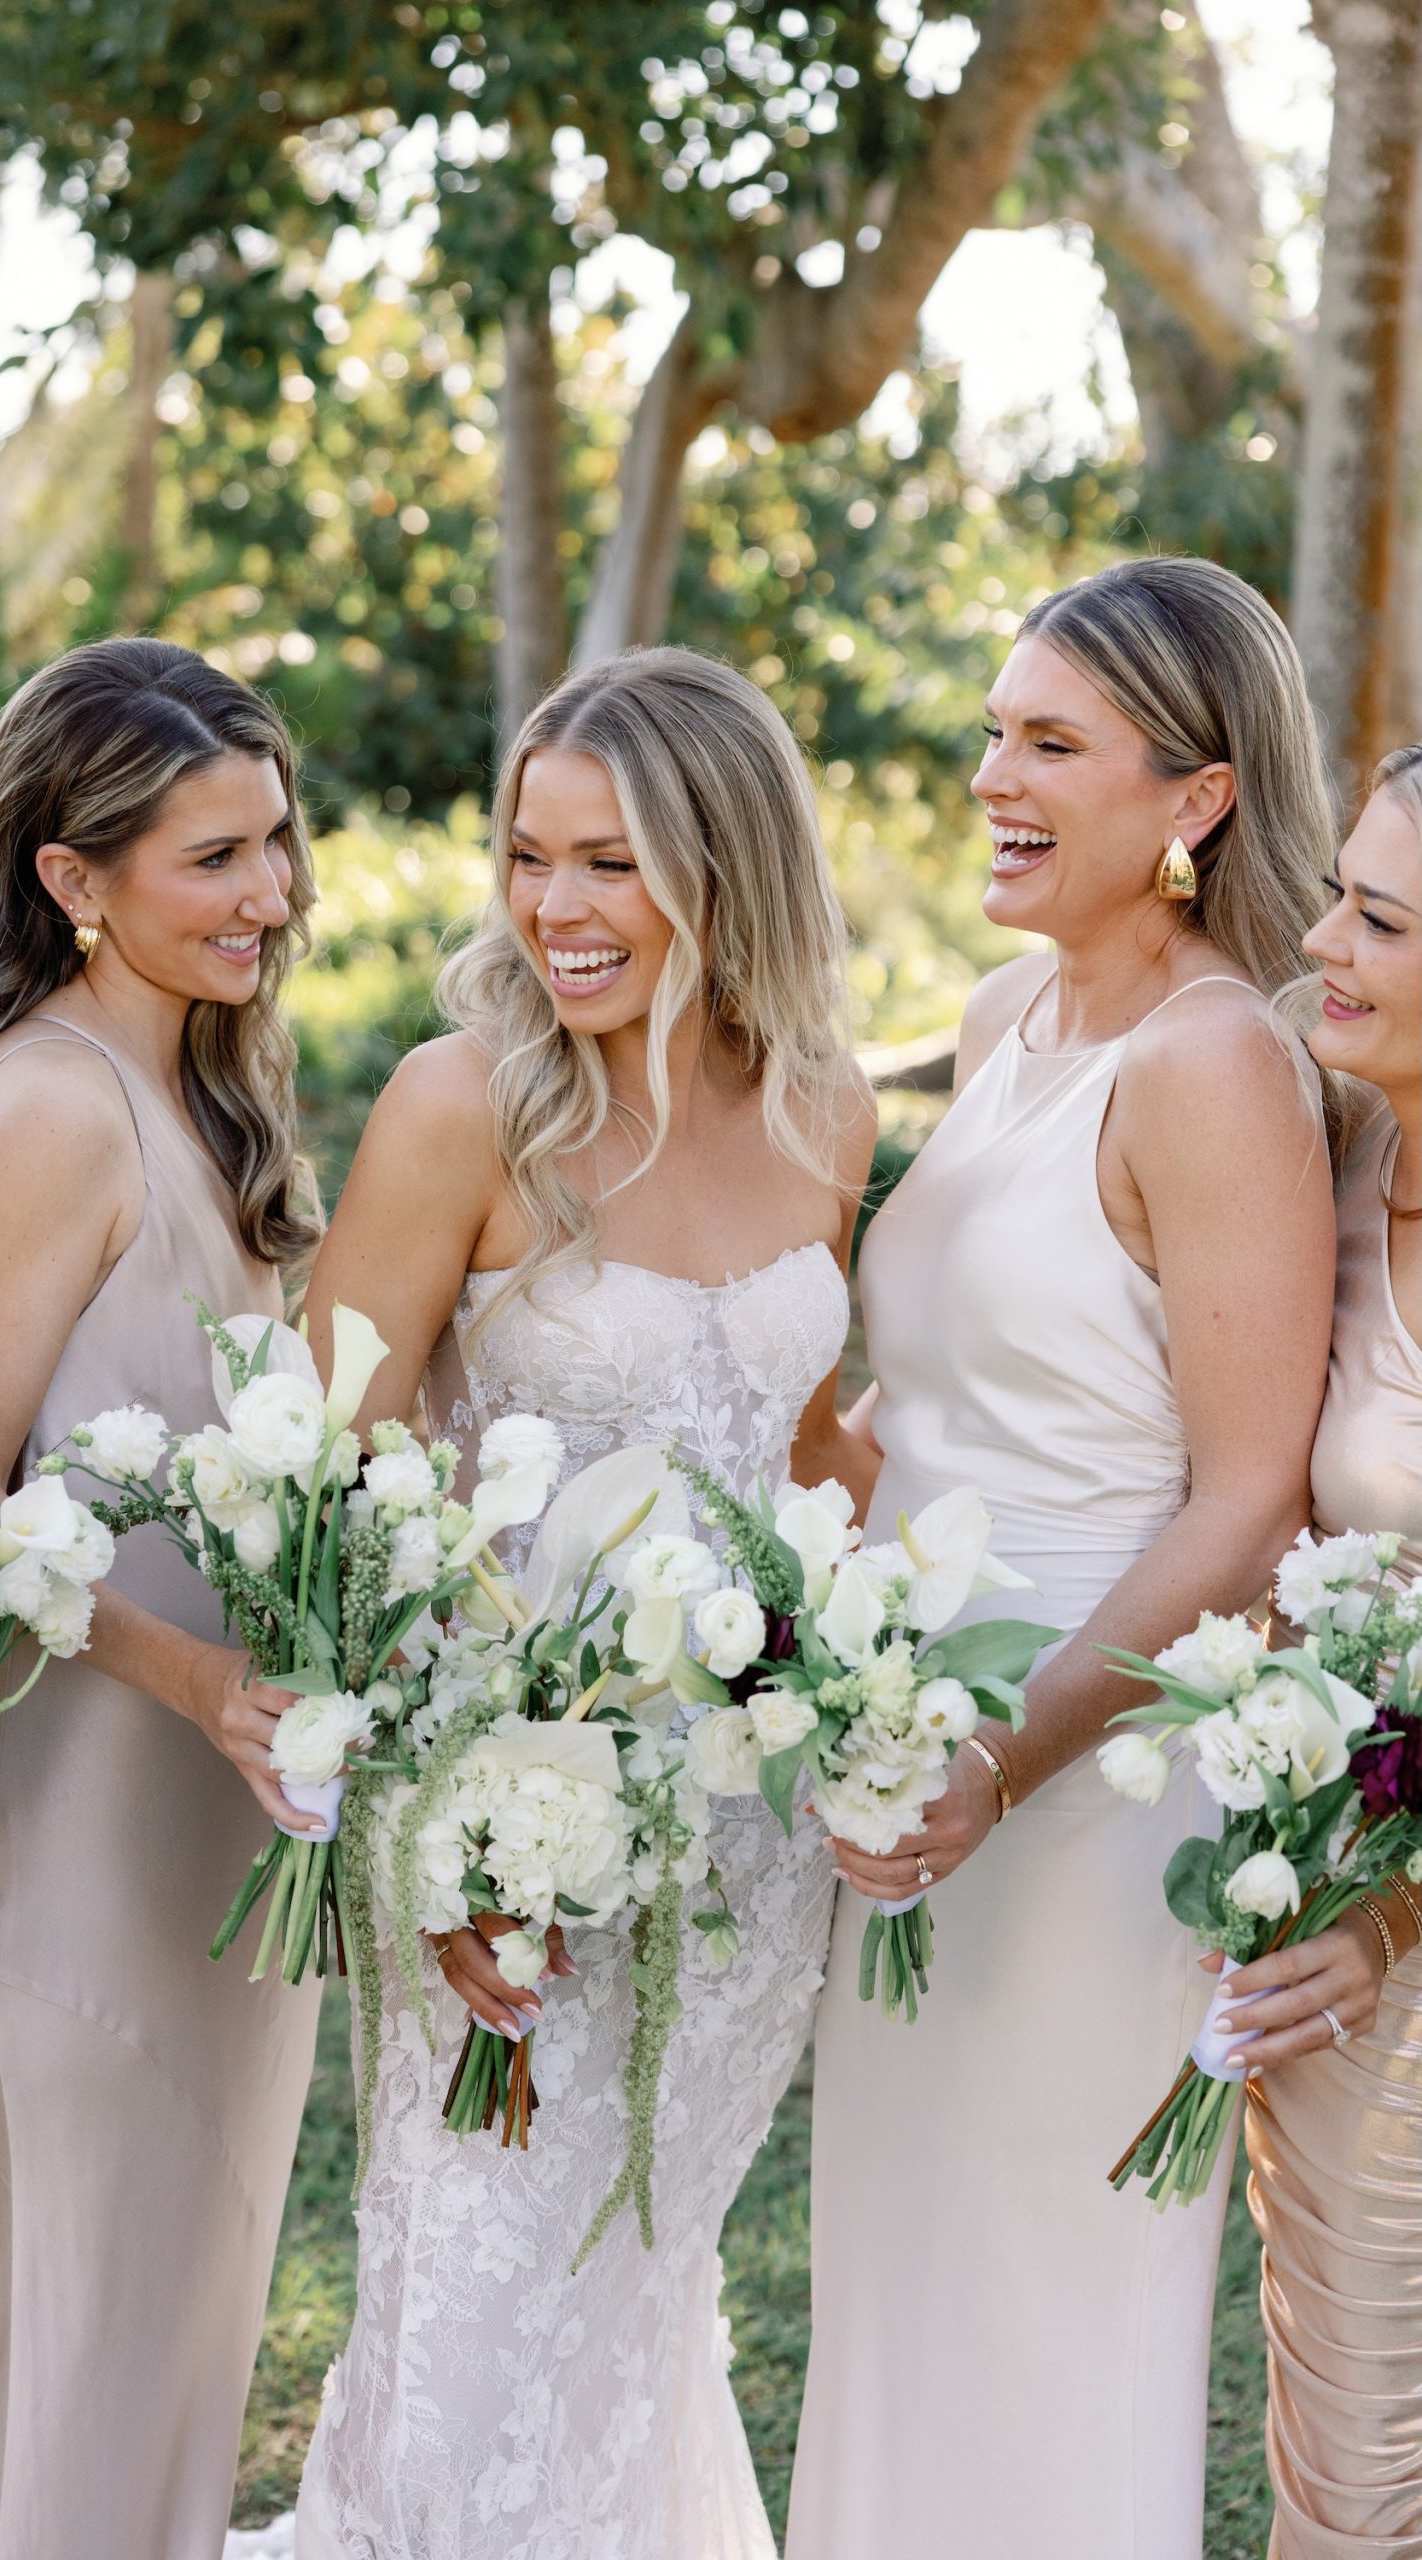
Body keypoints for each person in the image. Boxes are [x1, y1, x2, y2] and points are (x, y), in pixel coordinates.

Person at [287, 647, 872, 2560]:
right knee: (468, 2333)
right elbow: (328, 1487)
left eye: (611, 861)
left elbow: (805, 1452)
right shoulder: (466, 1105)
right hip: (507, 1822)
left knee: (634, 2295)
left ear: (726, 866)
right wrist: (435, 1828)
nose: (557, 906)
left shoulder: (826, 1112)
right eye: (530, 857)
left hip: (750, 1847)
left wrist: (882, 1687)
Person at [788, 557, 1339, 2560]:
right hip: (906, 1748)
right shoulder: (1002, 1012)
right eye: (992, 732)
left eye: (1049, 743)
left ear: (1194, 796)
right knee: (898, 2283)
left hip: (1084, 1770)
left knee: (1040, 2300)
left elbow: (1246, 1496)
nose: (991, 779)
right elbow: (929, 1397)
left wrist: (998, 1756)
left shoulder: (1213, 1064)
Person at [0, 640, 323, 2560]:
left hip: (216, 1808)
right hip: (88, 1799)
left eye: (276, 842)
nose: (270, 894)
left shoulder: (199, 1096)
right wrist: (191, 1678)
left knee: (175, 2315)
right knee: (88, 2318)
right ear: (72, 877)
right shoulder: (52, 1109)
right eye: (214, 858)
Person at [1229, 746, 1422, 2555]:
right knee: (1355, 2460)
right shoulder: (1337, 1143)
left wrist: (1388, 1920)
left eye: (1380, 919)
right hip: (1343, 1903)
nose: (1321, 942)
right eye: (1339, 895)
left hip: (1396, 1924)